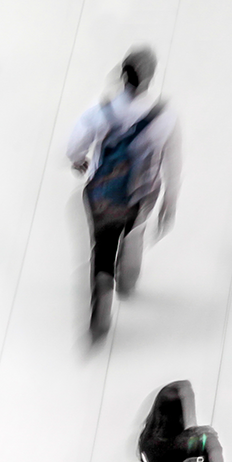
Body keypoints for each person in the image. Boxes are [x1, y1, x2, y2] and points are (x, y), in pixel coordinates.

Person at [65, 48, 181, 339]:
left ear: (123, 73)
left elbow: (74, 148)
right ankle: (127, 278)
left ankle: (103, 285)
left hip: (101, 195)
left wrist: (79, 161)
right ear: (149, 79)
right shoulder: (164, 116)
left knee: (102, 247)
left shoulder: (102, 109)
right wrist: (170, 201)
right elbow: (172, 162)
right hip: (139, 199)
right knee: (134, 233)